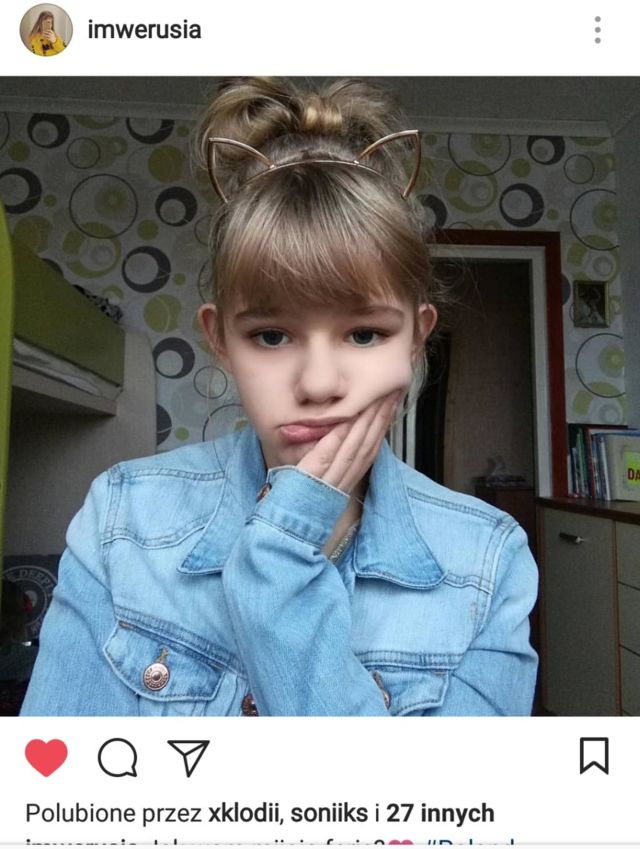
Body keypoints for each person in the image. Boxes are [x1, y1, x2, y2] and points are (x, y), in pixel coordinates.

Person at [20, 77, 538, 716]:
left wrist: (281, 561)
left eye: (365, 334)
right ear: (220, 340)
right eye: (271, 335)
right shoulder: (121, 519)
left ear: (415, 339)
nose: (318, 384)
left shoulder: (489, 558)